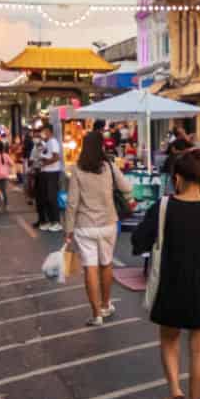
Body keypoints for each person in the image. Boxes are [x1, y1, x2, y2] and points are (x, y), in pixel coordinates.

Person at [131, 147, 200, 399]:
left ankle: (174, 390)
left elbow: (139, 242)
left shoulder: (163, 206)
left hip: (171, 281)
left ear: (177, 178)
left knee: (169, 339)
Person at [67, 130, 132, 326]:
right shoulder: (109, 167)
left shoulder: (77, 170)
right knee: (106, 264)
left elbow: (72, 203)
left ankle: (96, 314)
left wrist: (68, 230)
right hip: (107, 224)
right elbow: (127, 188)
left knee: (90, 268)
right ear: (101, 147)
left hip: (85, 226)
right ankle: (105, 304)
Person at [32, 125, 65, 232]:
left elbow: (56, 157)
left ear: (48, 131)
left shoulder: (53, 142)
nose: (42, 134)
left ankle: (56, 222)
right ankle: (51, 221)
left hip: (52, 172)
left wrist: (45, 164)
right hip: (46, 172)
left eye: (44, 131)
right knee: (46, 197)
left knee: (51, 197)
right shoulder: (47, 143)